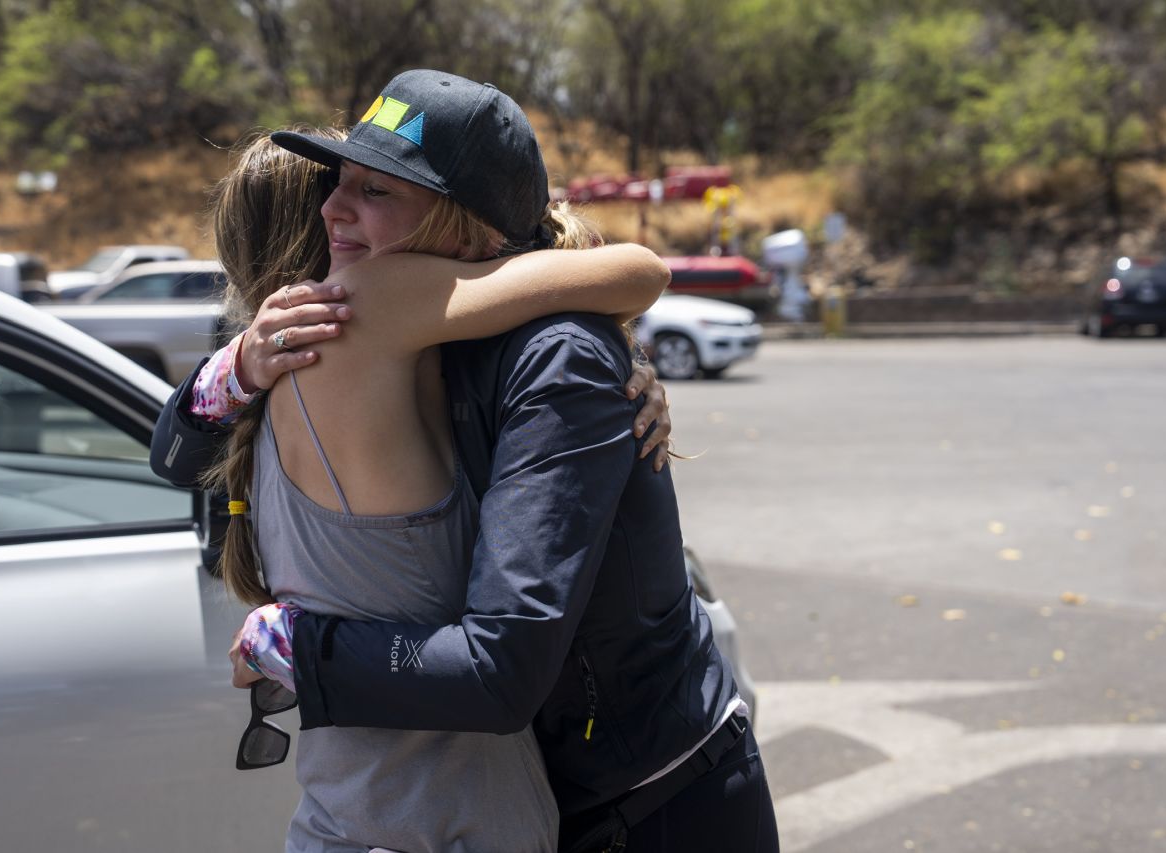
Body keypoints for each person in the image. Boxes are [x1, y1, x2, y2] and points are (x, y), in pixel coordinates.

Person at [152, 69, 779, 852]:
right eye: (341, 181)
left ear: (474, 237)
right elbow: (175, 451)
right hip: (562, 799)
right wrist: (239, 365)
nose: (333, 211)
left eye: (379, 192)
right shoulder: (416, 337)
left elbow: (498, 667)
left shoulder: (556, 359)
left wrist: (300, 647)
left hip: (657, 807)